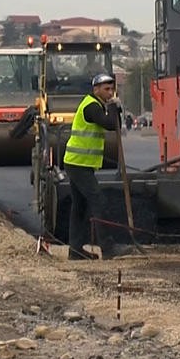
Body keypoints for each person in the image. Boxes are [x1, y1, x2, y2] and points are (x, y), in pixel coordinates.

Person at [63, 73, 127, 260]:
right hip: (77, 164)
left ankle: (74, 250)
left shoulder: (97, 105)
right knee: (98, 201)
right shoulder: (91, 106)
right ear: (96, 89)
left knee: (79, 207)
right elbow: (109, 124)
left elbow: (115, 125)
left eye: (111, 89)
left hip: (80, 163)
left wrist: (116, 109)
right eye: (106, 89)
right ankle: (107, 248)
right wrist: (115, 107)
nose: (110, 93)